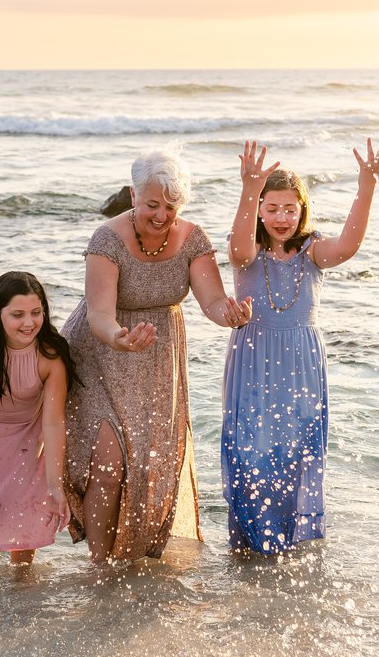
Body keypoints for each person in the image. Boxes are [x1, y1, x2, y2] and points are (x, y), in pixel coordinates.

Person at [63, 150, 252, 565]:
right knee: (108, 466)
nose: (162, 215)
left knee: (148, 469)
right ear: (133, 195)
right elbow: (98, 315)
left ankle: (128, 557)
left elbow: (214, 302)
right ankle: (100, 565)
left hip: (157, 362)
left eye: (171, 206)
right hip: (100, 356)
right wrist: (119, 338)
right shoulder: (107, 239)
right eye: (152, 204)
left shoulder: (192, 239)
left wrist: (231, 315)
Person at [222, 138, 379, 555]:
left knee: (295, 450)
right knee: (252, 450)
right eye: (272, 207)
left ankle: (288, 544)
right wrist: (249, 186)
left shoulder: (312, 250)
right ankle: (249, 542)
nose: (281, 217)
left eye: (290, 208)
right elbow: (239, 247)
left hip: (300, 362)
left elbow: (348, 247)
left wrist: (366, 187)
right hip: (253, 359)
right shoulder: (249, 249)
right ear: (259, 210)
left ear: (302, 210)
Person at [0, 271, 73, 572]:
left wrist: (55, 485)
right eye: (17, 314)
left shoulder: (50, 357)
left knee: (25, 520)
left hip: (30, 441)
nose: (29, 322)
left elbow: (54, 423)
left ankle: (21, 591)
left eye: (36, 313)